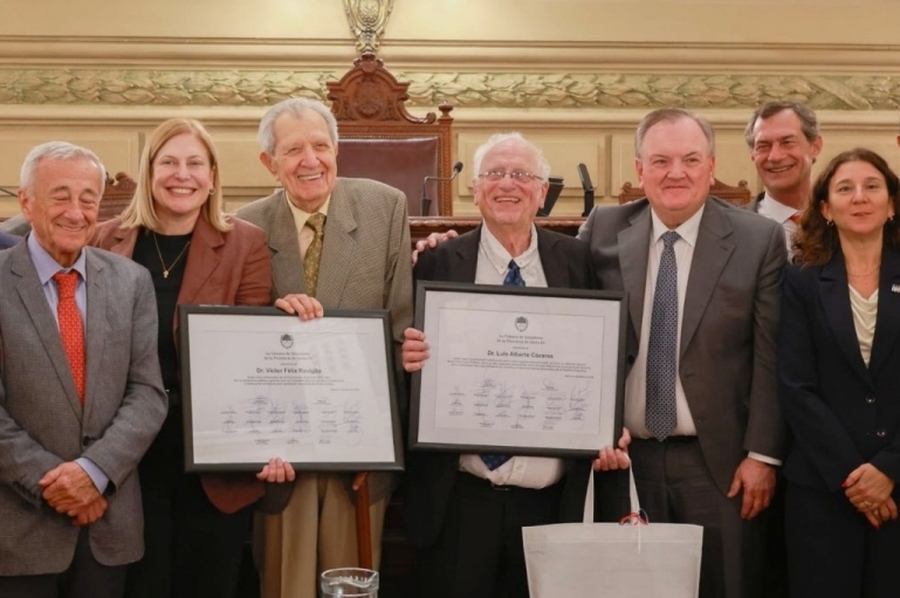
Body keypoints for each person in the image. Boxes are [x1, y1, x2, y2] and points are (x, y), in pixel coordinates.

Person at [400, 132, 630, 598]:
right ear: (476, 189)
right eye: (495, 174)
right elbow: (405, 357)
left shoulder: (579, 263)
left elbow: (609, 353)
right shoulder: (436, 262)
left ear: (543, 191)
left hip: (551, 502)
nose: (508, 184)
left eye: (522, 174)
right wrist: (407, 357)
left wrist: (610, 422)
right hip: (458, 502)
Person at [577, 108, 787, 598]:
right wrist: (441, 247)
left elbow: (772, 356)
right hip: (624, 461)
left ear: (711, 166)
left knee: (725, 584)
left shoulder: (758, 240)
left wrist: (762, 456)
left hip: (720, 465)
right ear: (639, 170)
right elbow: (556, 301)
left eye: (691, 159)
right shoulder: (603, 230)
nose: (677, 172)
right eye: (662, 160)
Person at [92, 118, 295, 598]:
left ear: (211, 176)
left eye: (194, 164)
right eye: (168, 162)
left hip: (208, 450)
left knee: (208, 581)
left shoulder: (244, 242)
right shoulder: (106, 240)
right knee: (138, 584)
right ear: (149, 171)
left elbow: (249, 354)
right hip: (125, 451)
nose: (181, 174)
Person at [236, 97, 414, 598]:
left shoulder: (384, 207)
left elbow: (402, 330)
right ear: (270, 163)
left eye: (320, 145)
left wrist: (380, 447)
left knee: (351, 587)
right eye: (293, 150)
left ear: (338, 149)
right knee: (283, 584)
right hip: (279, 456)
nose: (310, 160)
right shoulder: (245, 226)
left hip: (359, 456)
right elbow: (236, 342)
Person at [0, 141, 167, 597]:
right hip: (16, 532)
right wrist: (57, 484)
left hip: (108, 527)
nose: (76, 211)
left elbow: (148, 393)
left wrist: (93, 474)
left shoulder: (131, 281)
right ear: (27, 201)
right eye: (60, 196)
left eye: (88, 199)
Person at [778, 148, 900, 598]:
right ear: (826, 209)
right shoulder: (801, 281)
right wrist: (855, 476)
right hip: (823, 489)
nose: (860, 198)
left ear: (892, 204)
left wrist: (888, 470)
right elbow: (796, 387)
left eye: (872, 187)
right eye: (844, 189)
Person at [744, 100, 823, 256]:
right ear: (753, 154)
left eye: (787, 142)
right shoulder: (731, 230)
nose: (775, 156)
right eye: (763, 146)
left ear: (815, 146)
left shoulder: (844, 220)